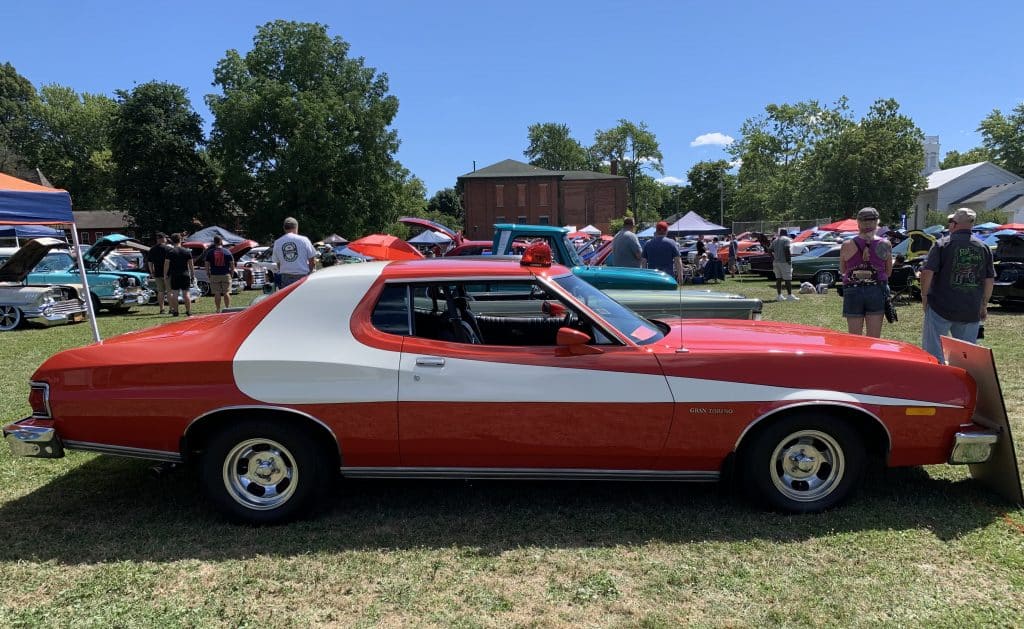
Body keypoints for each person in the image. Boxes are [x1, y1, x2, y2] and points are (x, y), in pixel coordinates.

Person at [919, 207, 995, 363]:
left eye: (950, 221)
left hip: (940, 306)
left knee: (933, 353)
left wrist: (924, 295)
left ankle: (935, 382)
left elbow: (927, 272)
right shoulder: (983, 248)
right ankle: (963, 384)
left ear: (954, 224)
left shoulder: (942, 244)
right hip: (970, 308)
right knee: (965, 356)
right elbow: (989, 279)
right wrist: (984, 304)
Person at [839, 207, 892, 337]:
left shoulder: (847, 245)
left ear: (858, 222)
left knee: (854, 338)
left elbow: (843, 270)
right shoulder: (885, 244)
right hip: (876, 290)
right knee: (874, 338)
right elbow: (888, 272)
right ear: (877, 222)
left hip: (853, 290)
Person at [272, 217, 317, 289]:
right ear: (297, 227)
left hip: (285, 277)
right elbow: (312, 260)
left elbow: (278, 264)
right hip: (302, 276)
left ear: (284, 228)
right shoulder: (304, 240)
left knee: (288, 299)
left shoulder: (277, 242)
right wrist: (310, 272)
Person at [163, 233, 195, 316]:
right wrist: (193, 275)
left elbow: (166, 265)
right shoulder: (187, 251)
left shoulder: (170, 252)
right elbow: (191, 266)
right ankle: (188, 311)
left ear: (172, 241)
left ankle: (176, 311)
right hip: (185, 274)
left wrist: (165, 274)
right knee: (186, 294)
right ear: (180, 240)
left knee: (175, 294)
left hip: (174, 275)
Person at [203, 234, 235, 313]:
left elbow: (206, 265)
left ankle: (218, 309)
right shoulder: (227, 252)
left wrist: (208, 273)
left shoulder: (210, 252)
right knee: (226, 292)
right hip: (225, 274)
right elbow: (232, 264)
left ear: (214, 242)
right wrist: (232, 273)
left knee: (217, 293)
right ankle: (227, 308)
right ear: (221, 242)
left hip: (214, 275)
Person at [146, 232, 172, 314]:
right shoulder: (168, 249)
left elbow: (150, 262)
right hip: (168, 273)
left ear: (157, 239)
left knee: (160, 291)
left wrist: (151, 271)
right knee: (169, 291)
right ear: (163, 238)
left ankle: (162, 309)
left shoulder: (152, 249)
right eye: (165, 238)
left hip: (157, 273)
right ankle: (171, 308)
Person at [771, 228, 797, 301]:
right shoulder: (787, 239)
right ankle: (789, 295)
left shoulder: (775, 240)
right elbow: (786, 249)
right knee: (787, 279)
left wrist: (774, 257)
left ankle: (779, 295)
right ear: (786, 233)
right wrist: (788, 260)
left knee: (778, 279)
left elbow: (769, 250)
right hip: (784, 262)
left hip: (776, 262)